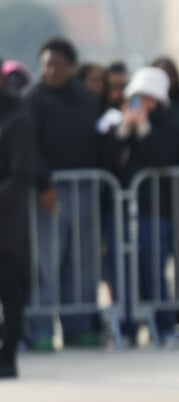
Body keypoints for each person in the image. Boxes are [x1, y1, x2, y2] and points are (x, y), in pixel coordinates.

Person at [25, 37, 101, 350]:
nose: (51, 71)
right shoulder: (33, 99)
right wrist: (43, 184)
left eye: (57, 65)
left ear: (71, 67)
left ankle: (79, 328)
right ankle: (40, 330)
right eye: (46, 65)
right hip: (50, 192)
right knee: (46, 263)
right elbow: (29, 146)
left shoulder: (85, 98)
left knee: (82, 264)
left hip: (86, 187)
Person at [101, 66, 179, 345]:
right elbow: (106, 161)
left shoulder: (169, 124)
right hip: (120, 208)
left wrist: (145, 129)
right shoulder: (117, 122)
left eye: (148, 98)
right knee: (120, 269)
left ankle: (164, 326)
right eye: (137, 98)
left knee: (153, 269)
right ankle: (125, 327)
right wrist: (124, 130)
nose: (142, 105)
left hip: (154, 209)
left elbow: (163, 156)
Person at [0, 58, 36, 378]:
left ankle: (8, 356)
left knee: (10, 291)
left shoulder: (18, 116)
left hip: (7, 223)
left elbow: (22, 172)